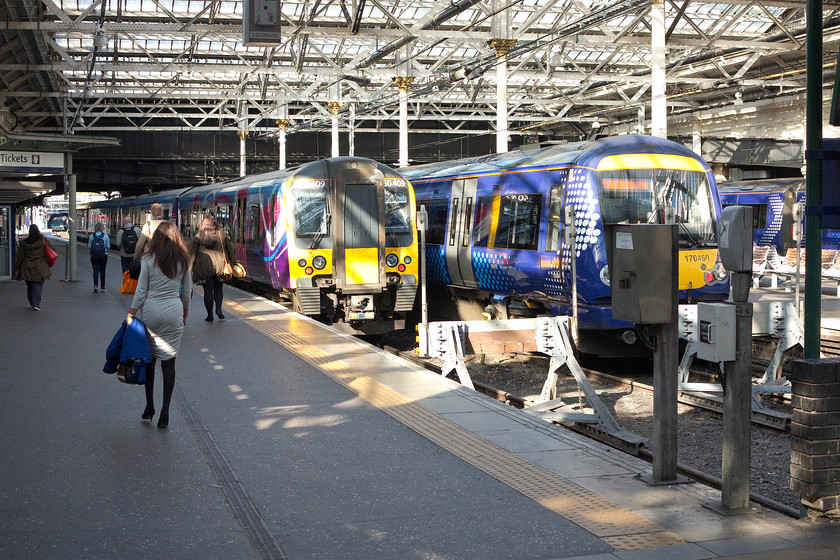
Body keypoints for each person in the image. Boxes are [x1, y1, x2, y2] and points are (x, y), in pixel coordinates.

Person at [127, 221, 191, 428]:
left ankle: (149, 406)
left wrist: (131, 314)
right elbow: (187, 293)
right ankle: (165, 412)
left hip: (151, 313)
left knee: (150, 361)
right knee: (169, 364)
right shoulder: (183, 261)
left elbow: (141, 292)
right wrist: (184, 314)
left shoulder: (148, 259)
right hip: (173, 311)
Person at [189, 215, 236, 322]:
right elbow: (230, 251)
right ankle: (219, 309)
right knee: (219, 288)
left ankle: (209, 315)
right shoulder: (222, 234)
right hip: (220, 266)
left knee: (208, 291)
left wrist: (190, 269)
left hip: (205, 268)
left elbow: (193, 255)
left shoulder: (198, 236)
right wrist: (232, 264)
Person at [14, 224, 54, 310]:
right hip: (41, 267)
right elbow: (52, 249)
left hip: (27, 267)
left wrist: (17, 267)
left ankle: (32, 301)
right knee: (38, 285)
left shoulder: (24, 243)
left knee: (30, 286)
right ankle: (36, 304)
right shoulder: (43, 241)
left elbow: (20, 257)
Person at [88, 222, 110, 293]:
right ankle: (103, 287)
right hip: (103, 256)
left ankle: (95, 286)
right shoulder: (105, 236)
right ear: (102, 228)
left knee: (95, 271)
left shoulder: (92, 236)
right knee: (102, 271)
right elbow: (108, 246)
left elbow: (89, 246)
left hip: (94, 256)